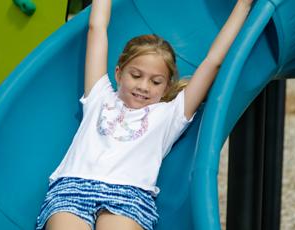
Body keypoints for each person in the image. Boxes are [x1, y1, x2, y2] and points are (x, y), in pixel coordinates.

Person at [36, 0, 253, 229]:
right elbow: (97, 28)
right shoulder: (99, 96)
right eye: (136, 75)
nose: (144, 86)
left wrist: (244, 5)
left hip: (128, 196)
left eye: (155, 81)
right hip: (73, 189)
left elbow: (213, 62)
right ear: (119, 74)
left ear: (167, 86)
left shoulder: (170, 114)